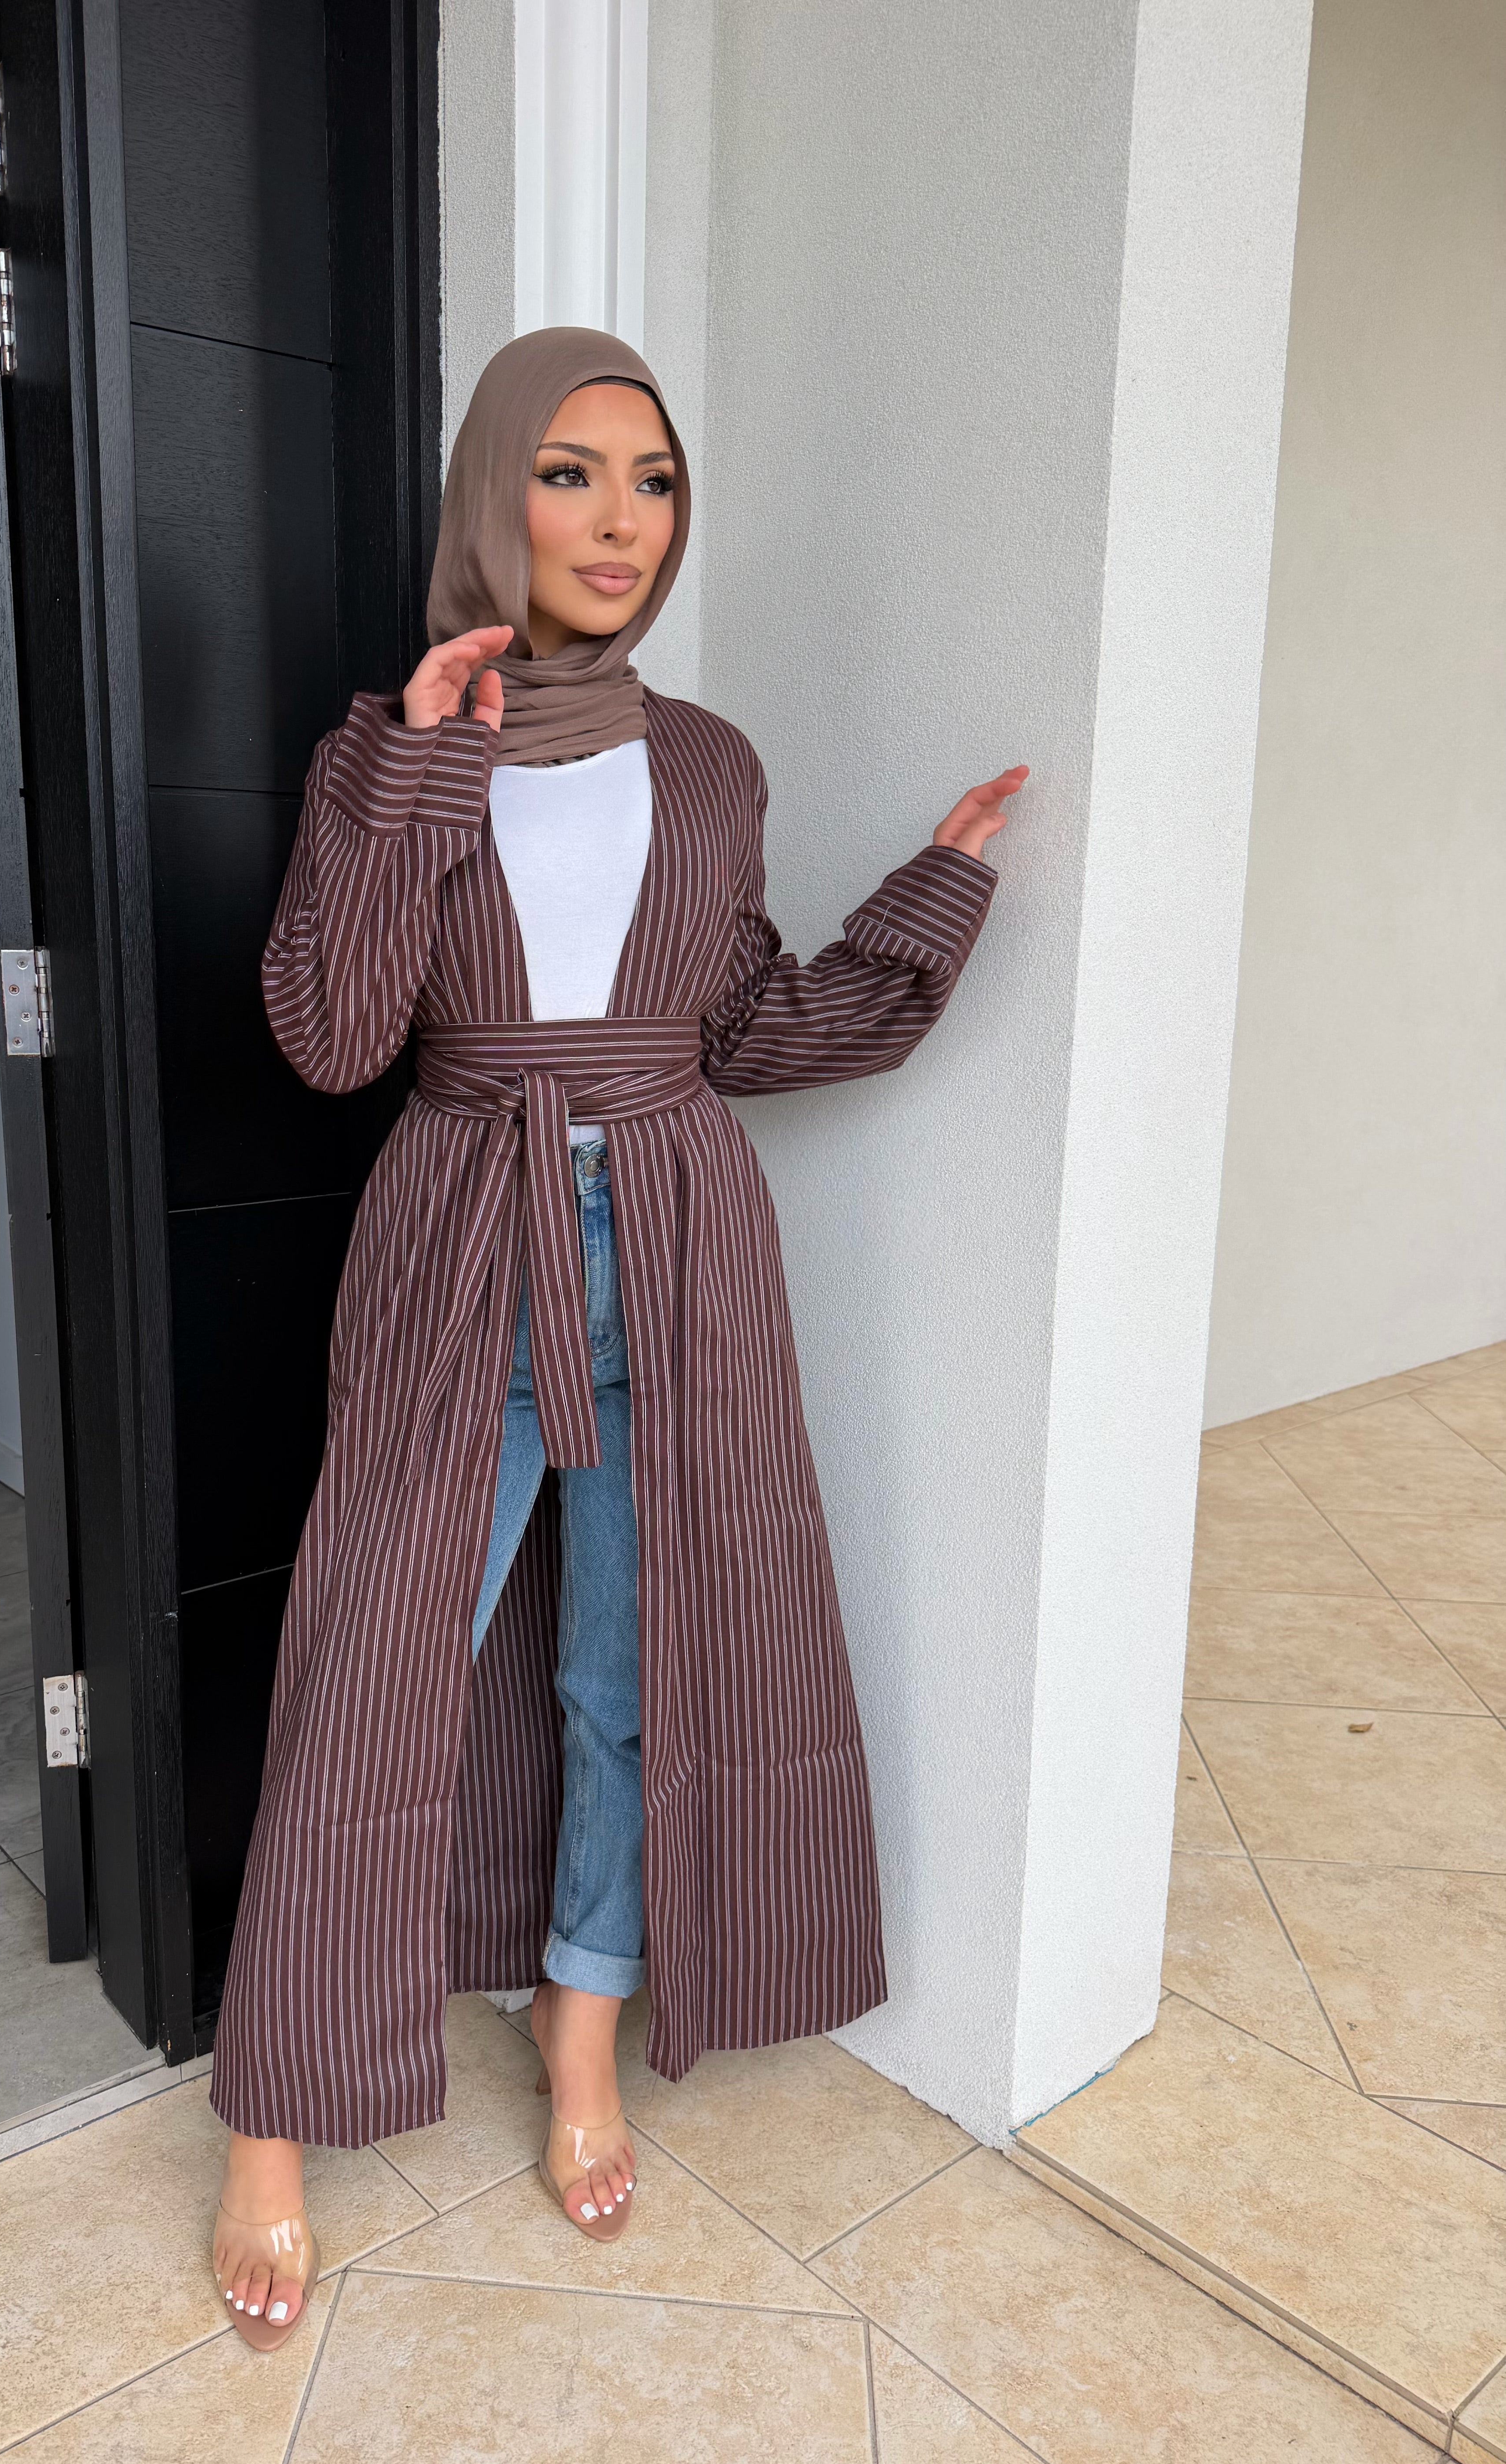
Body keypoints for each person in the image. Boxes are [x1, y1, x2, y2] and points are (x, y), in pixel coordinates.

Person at [208, 326, 1026, 2351]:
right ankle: (274, 2114)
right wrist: (416, 771)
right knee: (372, 1662)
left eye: (654, 482)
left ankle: (583, 2026)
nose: (618, 521)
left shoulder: (714, 764)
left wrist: (930, 899)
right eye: (570, 473)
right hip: (458, 1231)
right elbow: (331, 1035)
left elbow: (740, 1029)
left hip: (679, 1237)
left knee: (633, 1667)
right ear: (496, 492)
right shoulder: (394, 746)